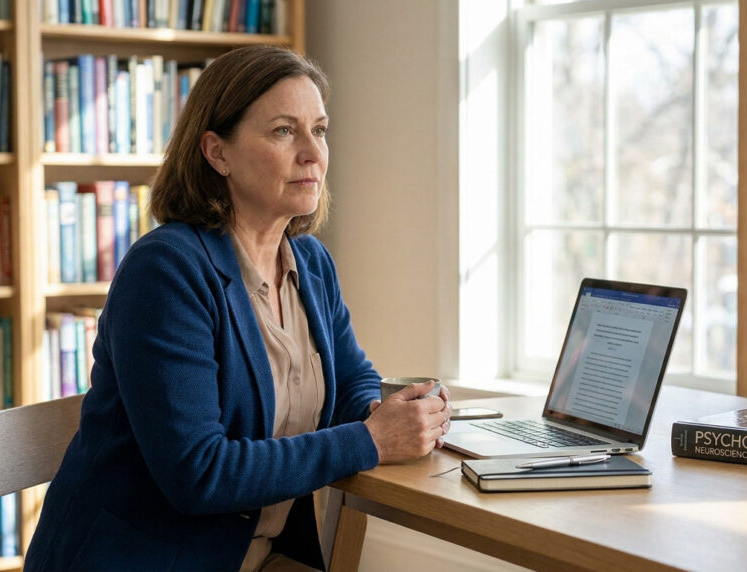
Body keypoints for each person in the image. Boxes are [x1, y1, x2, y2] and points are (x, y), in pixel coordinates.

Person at [23, 45, 451, 571]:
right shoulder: (166, 272)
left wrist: (385, 410)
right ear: (216, 152)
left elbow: (350, 378)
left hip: (255, 557)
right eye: (283, 131)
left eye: (319, 129)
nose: (313, 153)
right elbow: (199, 473)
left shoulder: (310, 263)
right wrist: (369, 440)